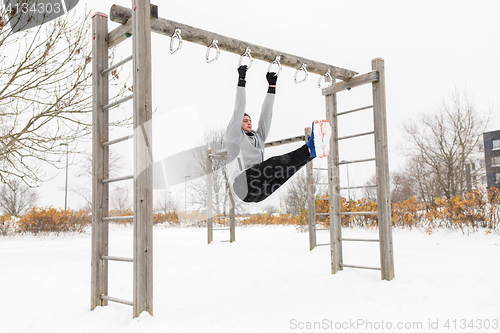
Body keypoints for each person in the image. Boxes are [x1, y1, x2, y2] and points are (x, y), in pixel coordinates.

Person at [225, 65, 331, 203]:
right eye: (245, 121)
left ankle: (311, 153)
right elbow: (239, 108)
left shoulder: (259, 137)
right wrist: (241, 79)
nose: (249, 122)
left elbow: (266, 114)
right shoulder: (234, 136)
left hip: (258, 193)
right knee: (275, 163)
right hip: (242, 184)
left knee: (285, 172)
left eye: (250, 120)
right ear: (238, 124)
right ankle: (309, 149)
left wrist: (272, 86)